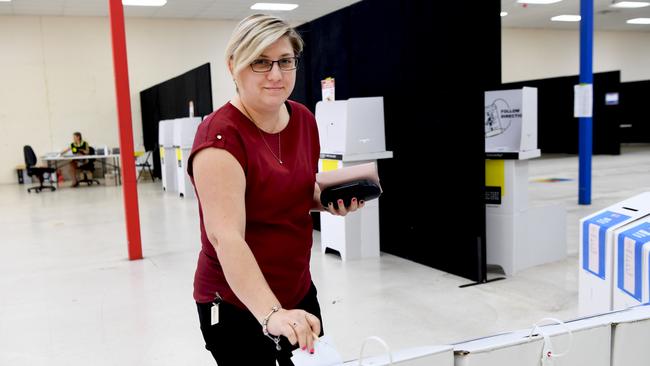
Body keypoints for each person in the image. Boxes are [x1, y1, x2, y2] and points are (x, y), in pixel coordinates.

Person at [188, 14, 366, 365]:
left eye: (285, 61)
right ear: (232, 65)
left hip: (298, 289)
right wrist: (272, 314)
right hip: (235, 301)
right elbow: (227, 237)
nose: (275, 74)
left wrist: (327, 200)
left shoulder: (303, 119)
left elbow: (291, 194)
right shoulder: (220, 140)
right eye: (260, 62)